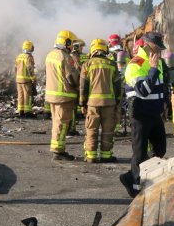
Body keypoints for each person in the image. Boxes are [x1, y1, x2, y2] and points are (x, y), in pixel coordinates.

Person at [120, 32, 169, 197]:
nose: (160, 51)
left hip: (154, 112)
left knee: (160, 149)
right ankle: (134, 187)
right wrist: (153, 70)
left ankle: (135, 175)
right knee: (139, 153)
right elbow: (143, 91)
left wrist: (165, 103)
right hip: (140, 114)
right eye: (157, 47)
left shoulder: (156, 61)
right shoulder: (135, 64)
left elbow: (161, 86)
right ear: (146, 45)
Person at [79, 38, 123, 163]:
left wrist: (82, 103)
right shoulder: (112, 64)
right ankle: (106, 155)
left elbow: (83, 87)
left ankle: (91, 156)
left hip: (92, 104)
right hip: (109, 104)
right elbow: (117, 86)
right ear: (105, 49)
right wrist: (118, 101)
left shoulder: (86, 64)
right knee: (108, 130)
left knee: (91, 129)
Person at [45, 30, 79, 161]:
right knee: (62, 124)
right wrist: (79, 84)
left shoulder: (50, 55)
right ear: (67, 42)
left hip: (52, 96)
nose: (72, 46)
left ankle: (56, 148)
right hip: (64, 96)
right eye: (71, 43)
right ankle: (59, 151)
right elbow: (71, 77)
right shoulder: (66, 57)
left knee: (56, 122)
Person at [15, 40, 36, 116]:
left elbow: (15, 68)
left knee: (20, 95)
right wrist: (33, 78)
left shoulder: (19, 56)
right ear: (29, 47)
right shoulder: (29, 57)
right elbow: (30, 68)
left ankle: (21, 111)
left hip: (18, 80)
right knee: (27, 95)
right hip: (26, 80)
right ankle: (28, 112)